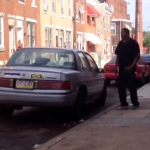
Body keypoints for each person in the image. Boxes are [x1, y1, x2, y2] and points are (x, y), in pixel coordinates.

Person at [115, 28, 140, 110]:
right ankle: (123, 103)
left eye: (121, 33)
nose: (121, 35)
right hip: (122, 68)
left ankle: (135, 103)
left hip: (130, 69)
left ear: (126, 33)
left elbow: (137, 56)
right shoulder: (120, 43)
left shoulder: (133, 43)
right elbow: (118, 55)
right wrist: (115, 65)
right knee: (121, 86)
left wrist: (132, 66)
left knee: (132, 86)